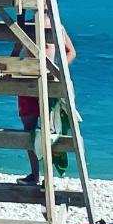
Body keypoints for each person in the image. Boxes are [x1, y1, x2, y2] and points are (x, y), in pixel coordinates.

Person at [17, 14, 76, 185]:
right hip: (27, 82)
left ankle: (49, 177)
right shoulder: (25, 26)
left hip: (50, 82)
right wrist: (9, 69)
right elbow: (15, 53)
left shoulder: (57, 26)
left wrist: (57, 70)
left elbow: (71, 52)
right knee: (28, 129)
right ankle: (34, 174)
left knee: (50, 129)